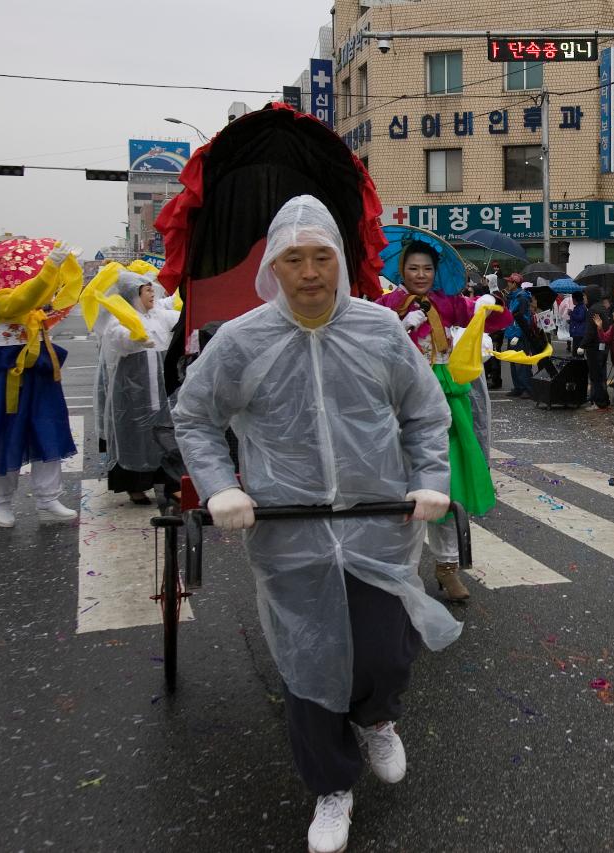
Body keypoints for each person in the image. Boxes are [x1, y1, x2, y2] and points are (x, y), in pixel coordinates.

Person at [173, 196, 462, 853]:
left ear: (341, 259)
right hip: (290, 530)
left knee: (384, 650)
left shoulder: (380, 331)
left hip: (377, 522)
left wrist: (432, 481)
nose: (308, 271)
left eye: (321, 256)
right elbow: (195, 416)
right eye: (293, 259)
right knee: (308, 666)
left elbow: (423, 411)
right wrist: (222, 487)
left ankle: (378, 716)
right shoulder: (243, 340)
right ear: (273, 266)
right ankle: (332, 786)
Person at [378, 237, 510, 601]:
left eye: (427, 269)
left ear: (436, 273)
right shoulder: (385, 305)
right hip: (400, 396)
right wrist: (399, 325)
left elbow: (497, 321)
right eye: (413, 268)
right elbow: (367, 343)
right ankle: (396, 570)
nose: (420, 275)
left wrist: (489, 305)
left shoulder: (449, 302)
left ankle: (447, 569)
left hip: (445, 397)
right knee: (396, 485)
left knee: (446, 483)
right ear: (401, 270)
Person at [0, 240, 81, 528]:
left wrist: (62, 272)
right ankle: (2, 501)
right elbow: (24, 298)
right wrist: (51, 267)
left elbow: (44, 294)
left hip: (37, 372)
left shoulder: (33, 303)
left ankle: (48, 497)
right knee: (3, 434)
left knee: (48, 428)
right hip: (3, 374)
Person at [99, 270, 181, 504]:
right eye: (147, 290)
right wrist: (136, 337)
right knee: (135, 434)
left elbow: (179, 316)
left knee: (166, 431)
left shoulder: (158, 315)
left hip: (161, 382)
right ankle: (134, 485)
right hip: (134, 386)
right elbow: (120, 338)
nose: (152, 294)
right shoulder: (119, 318)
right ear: (133, 294)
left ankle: (172, 482)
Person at [577, 288, 611, 411]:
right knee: (601, 374)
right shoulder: (602, 307)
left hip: (594, 347)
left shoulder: (593, 310)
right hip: (603, 346)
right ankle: (602, 400)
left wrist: (582, 345)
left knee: (596, 375)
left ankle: (599, 402)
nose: (584, 298)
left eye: (585, 296)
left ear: (591, 296)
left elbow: (590, 331)